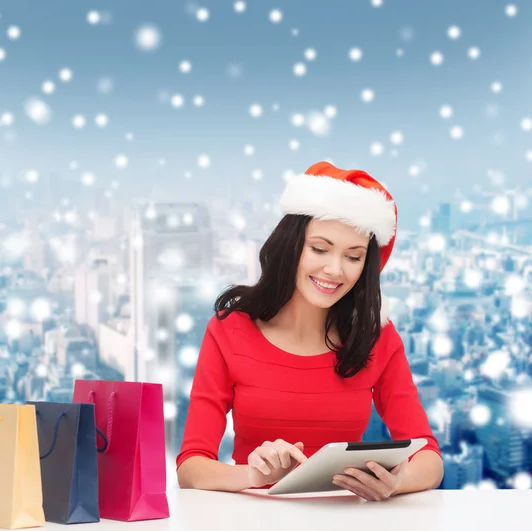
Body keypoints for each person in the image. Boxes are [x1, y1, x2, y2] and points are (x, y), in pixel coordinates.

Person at [176, 161, 444, 501]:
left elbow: (430, 459)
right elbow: (191, 467)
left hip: (345, 522)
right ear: (292, 246)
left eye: (353, 256)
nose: (334, 270)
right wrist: (255, 475)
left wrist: (395, 482)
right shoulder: (230, 330)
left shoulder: (377, 336)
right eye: (319, 249)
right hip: (251, 521)